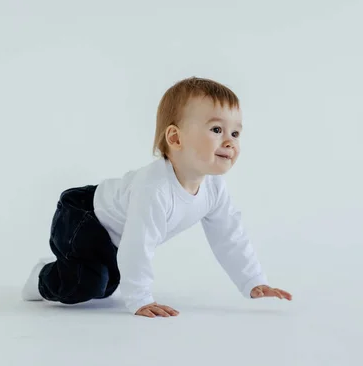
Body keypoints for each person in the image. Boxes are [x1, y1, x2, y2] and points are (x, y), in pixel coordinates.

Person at [21, 76, 293, 318]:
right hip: (82, 215)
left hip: (114, 237)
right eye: (216, 130)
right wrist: (139, 299)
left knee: (107, 286)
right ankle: (42, 277)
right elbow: (139, 243)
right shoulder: (155, 189)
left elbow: (229, 236)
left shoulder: (214, 189)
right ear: (175, 138)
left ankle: (75, 271)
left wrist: (252, 280)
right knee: (86, 284)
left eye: (235, 133)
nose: (230, 141)